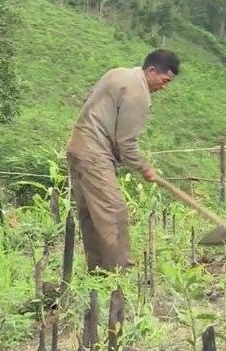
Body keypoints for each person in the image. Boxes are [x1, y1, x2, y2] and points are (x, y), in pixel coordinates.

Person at [66, 49, 180, 274]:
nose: (163, 86)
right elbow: (126, 143)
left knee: (91, 213)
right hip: (94, 153)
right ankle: (121, 273)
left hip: (77, 146)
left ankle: (98, 271)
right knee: (113, 212)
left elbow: (87, 100)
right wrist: (144, 167)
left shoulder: (118, 73)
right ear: (150, 70)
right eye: (164, 80)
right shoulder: (137, 92)